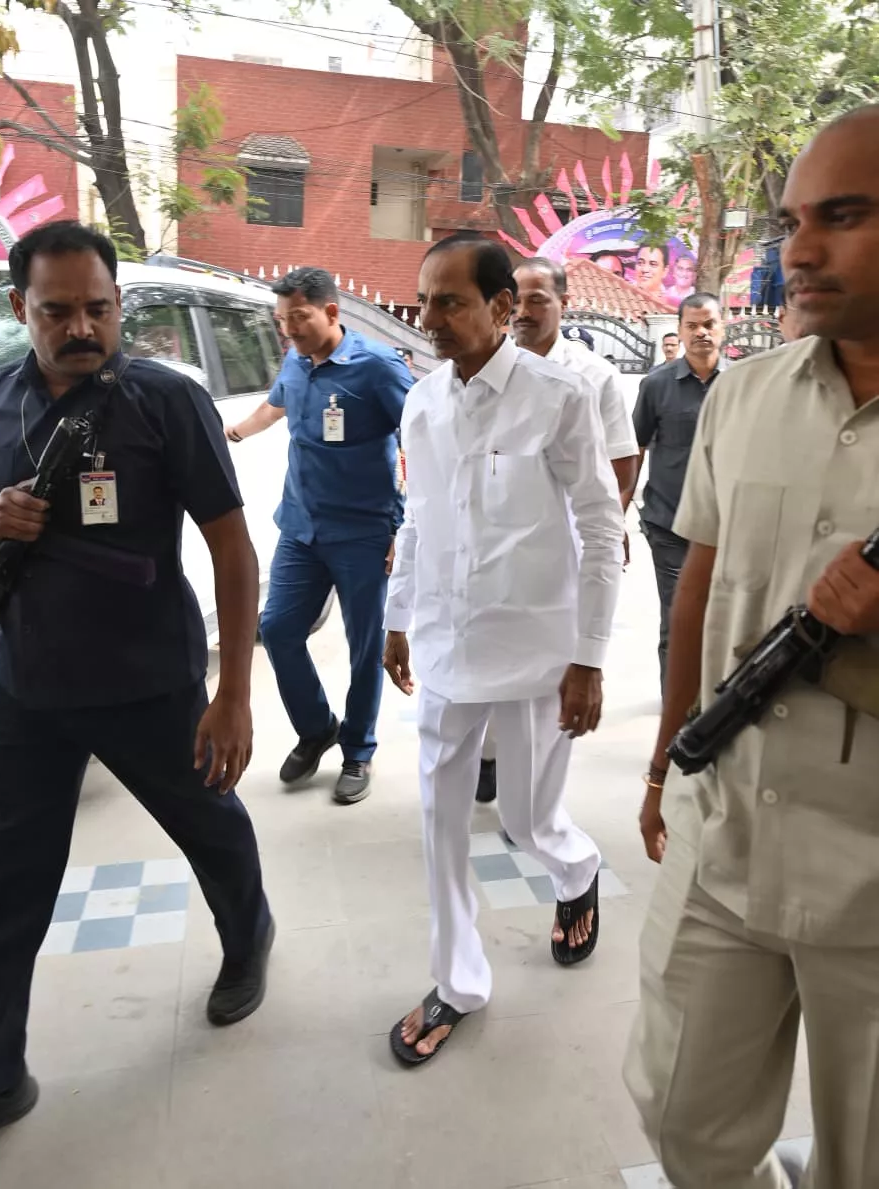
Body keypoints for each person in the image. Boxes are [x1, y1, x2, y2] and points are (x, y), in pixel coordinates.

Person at [0, 221, 273, 1154]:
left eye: (98, 308)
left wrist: (235, 692)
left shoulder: (166, 400)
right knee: (13, 879)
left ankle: (248, 934)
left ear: (118, 304)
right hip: (28, 684)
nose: (82, 327)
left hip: (149, 679)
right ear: (20, 308)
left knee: (210, 826)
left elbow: (230, 545)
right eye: (57, 311)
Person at [625, 105, 879, 1189]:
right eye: (790, 222)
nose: (799, 250)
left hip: (871, 879)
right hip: (721, 826)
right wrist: (663, 760)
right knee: (682, 1116)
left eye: (844, 216)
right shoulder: (743, 394)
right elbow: (700, 583)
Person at [383, 233, 624, 1065]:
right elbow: (418, 520)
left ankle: (576, 868)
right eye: (425, 300)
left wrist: (589, 656)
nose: (430, 317)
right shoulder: (422, 402)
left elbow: (601, 529)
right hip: (448, 645)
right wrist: (398, 616)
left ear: (499, 307)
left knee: (525, 820)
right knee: (440, 821)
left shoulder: (558, 397)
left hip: (535, 651)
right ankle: (458, 980)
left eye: (449, 302)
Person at [226, 267, 411, 804]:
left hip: (363, 531)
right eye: (281, 321)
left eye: (299, 318)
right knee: (277, 629)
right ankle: (316, 728)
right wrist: (231, 432)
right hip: (300, 527)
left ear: (331, 311)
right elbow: (276, 404)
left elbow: (422, 439)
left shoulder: (379, 367)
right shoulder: (296, 359)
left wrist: (407, 526)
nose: (288, 330)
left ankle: (358, 750)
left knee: (364, 647)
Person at [470, 258, 638, 805]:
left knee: (548, 673)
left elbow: (622, 465)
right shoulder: (488, 369)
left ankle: (534, 794)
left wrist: (606, 527)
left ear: (565, 304)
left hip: (564, 551)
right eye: (515, 299)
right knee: (492, 654)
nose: (522, 310)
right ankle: (490, 756)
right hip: (497, 543)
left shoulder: (594, 376)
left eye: (537, 299)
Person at [627, 293, 725, 694]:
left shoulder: (742, 384)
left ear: (723, 327)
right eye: (692, 326)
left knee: (722, 620)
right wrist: (616, 514)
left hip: (728, 528)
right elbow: (635, 448)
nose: (702, 333)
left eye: (709, 324)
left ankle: (713, 706)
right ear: (680, 331)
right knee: (679, 617)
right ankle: (677, 710)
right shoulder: (656, 385)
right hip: (670, 524)